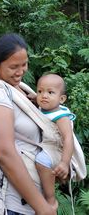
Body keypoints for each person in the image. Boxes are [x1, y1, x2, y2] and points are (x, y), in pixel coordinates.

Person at [0, 33, 57, 215]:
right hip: (11, 203)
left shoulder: (20, 89)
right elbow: (5, 154)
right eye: (14, 67)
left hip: (28, 200)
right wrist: (42, 208)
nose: (21, 71)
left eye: (24, 64)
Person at [35, 73, 75, 210]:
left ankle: (51, 200)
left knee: (42, 160)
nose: (44, 95)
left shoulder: (61, 116)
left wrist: (64, 162)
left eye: (50, 92)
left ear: (62, 99)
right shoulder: (45, 107)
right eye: (40, 91)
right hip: (46, 145)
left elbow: (68, 138)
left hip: (58, 149)